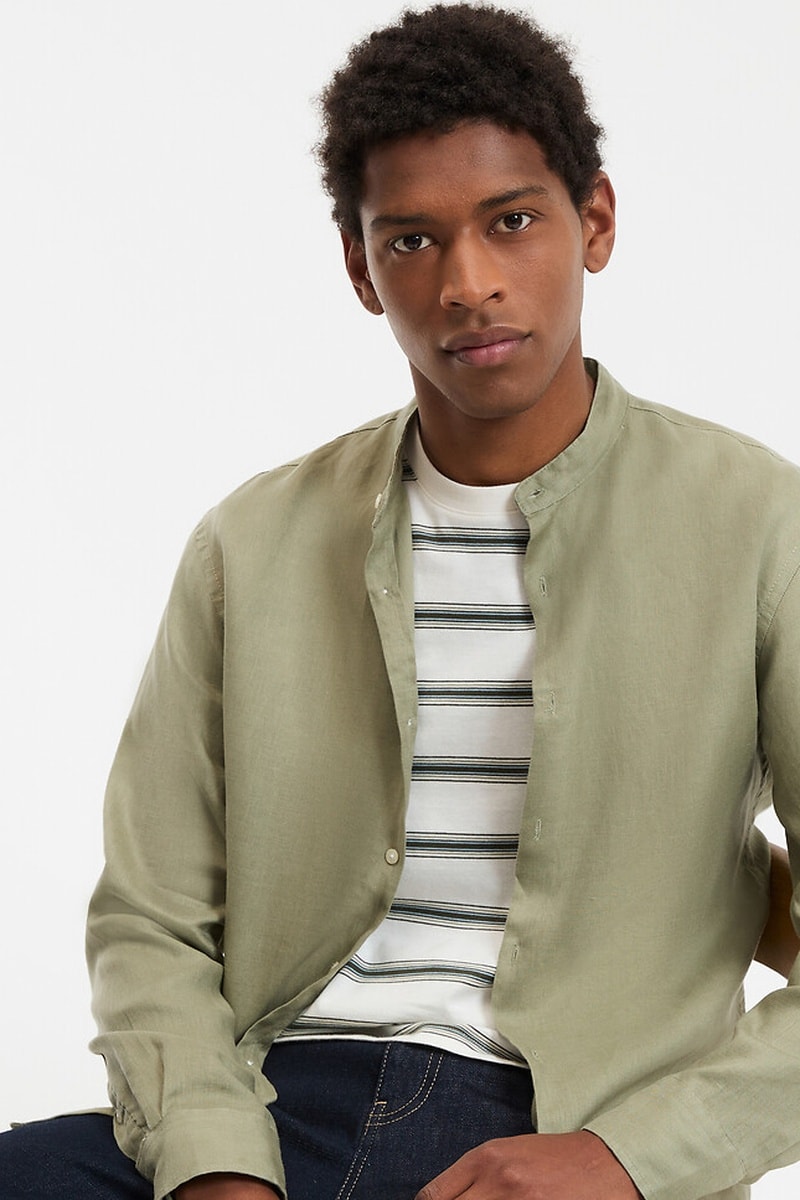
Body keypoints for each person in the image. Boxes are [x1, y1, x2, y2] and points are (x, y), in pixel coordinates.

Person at [2, 4, 800, 1199]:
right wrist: (215, 1163)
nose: (468, 283)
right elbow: (149, 919)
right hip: (269, 1102)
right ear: (359, 268)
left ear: (593, 221)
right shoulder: (251, 544)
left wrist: (627, 1159)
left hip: (558, 1124)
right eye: (413, 240)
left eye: (511, 221)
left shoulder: (755, 523)